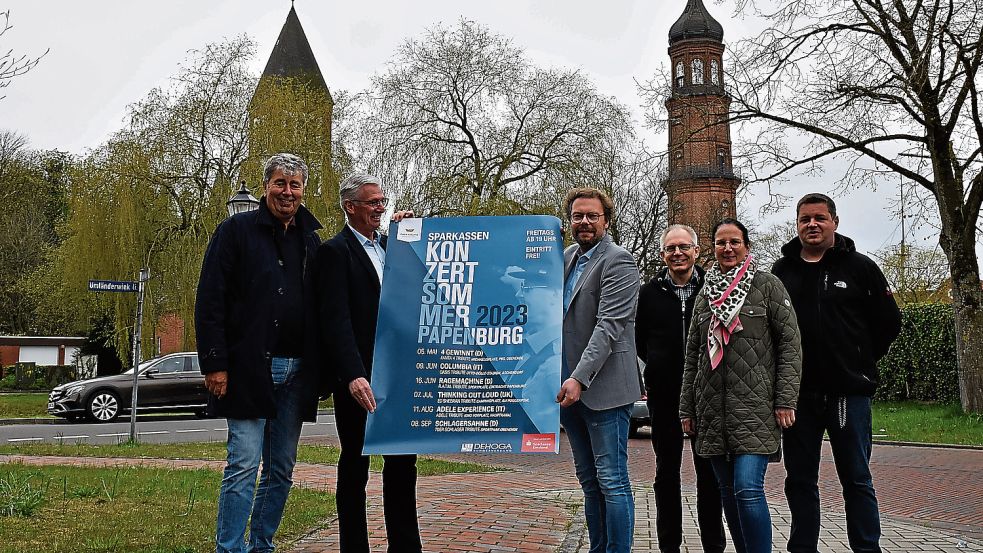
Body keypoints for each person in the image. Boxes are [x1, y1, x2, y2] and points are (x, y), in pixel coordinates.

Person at [195, 153, 324, 553]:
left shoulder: (311, 239)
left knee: (281, 470)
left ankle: (262, 545)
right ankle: (229, 548)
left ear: (304, 190)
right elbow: (210, 300)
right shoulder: (235, 231)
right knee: (243, 466)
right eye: (280, 183)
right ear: (266, 185)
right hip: (249, 368)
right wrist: (215, 364)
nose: (288, 192)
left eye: (295, 184)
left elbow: (327, 300)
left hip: (297, 371)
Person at [772, 193, 901, 553]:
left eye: (819, 218)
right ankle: (802, 547)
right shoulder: (781, 273)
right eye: (804, 219)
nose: (812, 225)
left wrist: (860, 360)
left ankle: (866, 547)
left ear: (834, 222)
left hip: (848, 393)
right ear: (796, 225)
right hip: (798, 396)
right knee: (799, 480)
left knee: (856, 478)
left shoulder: (860, 268)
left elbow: (889, 322)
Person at [680, 218, 802, 553]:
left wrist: (785, 399)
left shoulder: (767, 286)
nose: (728, 248)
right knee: (727, 491)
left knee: (748, 488)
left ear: (746, 245)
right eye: (721, 242)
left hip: (755, 408)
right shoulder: (705, 295)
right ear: (713, 248)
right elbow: (693, 355)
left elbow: (790, 345)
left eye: (734, 241)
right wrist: (686, 408)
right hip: (712, 411)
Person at [316, 172, 421, 553]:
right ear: (350, 206)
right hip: (360, 378)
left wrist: (410, 234)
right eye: (373, 202)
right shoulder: (334, 252)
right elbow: (334, 319)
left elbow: (421, 280)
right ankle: (354, 547)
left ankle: (406, 547)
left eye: (382, 201)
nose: (381, 207)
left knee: (402, 465)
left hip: (399, 374)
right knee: (356, 464)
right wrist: (352, 374)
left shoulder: (393, 246)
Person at [557, 187, 642, 553]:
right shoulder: (566, 258)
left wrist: (578, 377)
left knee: (612, 480)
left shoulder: (619, 261)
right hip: (569, 391)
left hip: (603, 389)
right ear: (570, 221)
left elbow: (609, 326)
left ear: (606, 220)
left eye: (592, 216)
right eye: (578, 216)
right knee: (589, 482)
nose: (585, 222)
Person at [636, 224, 726, 553]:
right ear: (663, 255)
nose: (678, 253)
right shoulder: (648, 294)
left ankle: (713, 545)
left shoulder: (715, 288)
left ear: (696, 251)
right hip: (665, 394)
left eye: (684, 247)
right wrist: (660, 367)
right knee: (666, 473)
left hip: (707, 394)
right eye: (671, 248)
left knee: (709, 473)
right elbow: (640, 341)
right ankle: (668, 545)